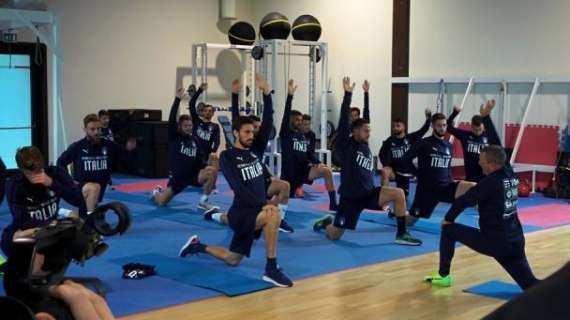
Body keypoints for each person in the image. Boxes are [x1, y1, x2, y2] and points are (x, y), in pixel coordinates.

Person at [1, 146, 115, 320]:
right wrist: (55, 225)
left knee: (93, 298)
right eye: (30, 173)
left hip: (51, 243)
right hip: (27, 243)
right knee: (75, 296)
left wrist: (50, 183)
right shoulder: (15, 186)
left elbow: (78, 199)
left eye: (38, 171)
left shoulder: (55, 174)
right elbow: (27, 223)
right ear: (22, 170)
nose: (35, 176)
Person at [179, 116, 293, 288]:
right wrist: (264, 205)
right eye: (246, 132)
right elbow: (238, 187)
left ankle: (197, 246)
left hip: (253, 211)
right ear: (236, 133)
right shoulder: (227, 156)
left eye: (252, 132)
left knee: (232, 259)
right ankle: (271, 269)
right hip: (242, 213)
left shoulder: (253, 154)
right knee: (272, 214)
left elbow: (265, 181)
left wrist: (267, 95)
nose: (251, 135)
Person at [312, 77, 422, 245]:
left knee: (399, 194)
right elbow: (343, 121)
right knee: (335, 235)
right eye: (365, 131)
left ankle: (401, 234)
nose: (368, 134)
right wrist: (348, 94)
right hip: (350, 199)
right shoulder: (346, 144)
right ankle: (327, 223)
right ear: (354, 131)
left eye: (369, 130)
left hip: (369, 194)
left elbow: (367, 116)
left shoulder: (365, 144)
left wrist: (366, 93)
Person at [424, 145, 539, 290]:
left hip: (495, 243)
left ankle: (443, 276)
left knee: (448, 230)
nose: (479, 163)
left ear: (492, 164)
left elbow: (463, 200)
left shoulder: (490, 183)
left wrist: (448, 219)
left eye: (482, 161)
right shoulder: (510, 174)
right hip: (515, 241)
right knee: (531, 285)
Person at [218, 76, 294, 233]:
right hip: (247, 188)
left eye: (255, 129)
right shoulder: (232, 152)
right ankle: (215, 215)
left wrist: (267, 94)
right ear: (238, 132)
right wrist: (234, 95)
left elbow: (268, 120)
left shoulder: (257, 145)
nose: (254, 133)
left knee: (285, 186)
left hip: (261, 183)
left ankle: (280, 218)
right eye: (250, 130)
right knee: (233, 220)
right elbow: (236, 119)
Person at [150, 88, 219, 213]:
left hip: (193, 175)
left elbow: (200, 160)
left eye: (190, 125)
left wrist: (206, 167)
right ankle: (156, 192)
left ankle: (203, 202)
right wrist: (177, 100)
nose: (188, 128)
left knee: (211, 171)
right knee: (161, 202)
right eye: (185, 126)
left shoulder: (195, 140)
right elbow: (172, 119)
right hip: (179, 179)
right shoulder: (174, 137)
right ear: (179, 127)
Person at [402, 112, 477, 225]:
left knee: (473, 187)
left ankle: (453, 219)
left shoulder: (449, 146)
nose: (442, 128)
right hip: (427, 190)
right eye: (439, 125)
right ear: (432, 126)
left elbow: (447, 167)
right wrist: (417, 174)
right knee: (409, 222)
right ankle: (396, 215)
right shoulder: (423, 143)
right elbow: (405, 159)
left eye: (444, 125)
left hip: (445, 187)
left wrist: (451, 179)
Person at [57, 114, 136, 213]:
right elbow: (60, 162)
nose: (97, 132)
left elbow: (125, 156)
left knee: (89, 210)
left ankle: (85, 216)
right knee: (94, 189)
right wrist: (69, 181)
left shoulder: (108, 145)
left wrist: (129, 149)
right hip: (80, 189)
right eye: (92, 129)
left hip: (100, 188)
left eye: (99, 129)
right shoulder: (77, 147)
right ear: (85, 129)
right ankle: (91, 220)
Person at [280, 79, 337, 214]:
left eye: (301, 120)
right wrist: (290, 96)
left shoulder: (302, 136)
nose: (300, 122)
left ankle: (333, 204)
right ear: (290, 120)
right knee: (276, 203)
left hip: (303, 171)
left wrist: (318, 163)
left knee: (327, 171)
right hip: (289, 174)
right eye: (297, 120)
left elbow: (308, 155)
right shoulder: (285, 133)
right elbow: (286, 113)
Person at [379, 109, 431, 203]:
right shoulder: (389, 141)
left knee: (403, 197)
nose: (395, 128)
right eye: (394, 126)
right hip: (395, 171)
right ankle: (384, 200)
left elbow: (423, 130)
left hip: (408, 170)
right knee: (384, 172)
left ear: (404, 127)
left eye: (398, 126)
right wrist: (387, 166)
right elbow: (381, 154)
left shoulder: (410, 138)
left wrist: (428, 119)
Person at [447, 100, 501, 182]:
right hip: (470, 178)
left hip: (486, 179)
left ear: (483, 127)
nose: (478, 132)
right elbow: (448, 127)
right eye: (475, 130)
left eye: (480, 129)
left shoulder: (488, 137)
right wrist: (454, 113)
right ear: (471, 126)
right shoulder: (465, 135)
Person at [294, 114, 321, 198]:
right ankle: (298, 188)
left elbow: (311, 152)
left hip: (306, 159)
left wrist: (316, 163)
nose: (307, 127)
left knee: (323, 168)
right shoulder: (295, 135)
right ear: (300, 125)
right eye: (305, 124)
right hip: (295, 159)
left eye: (309, 124)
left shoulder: (312, 135)